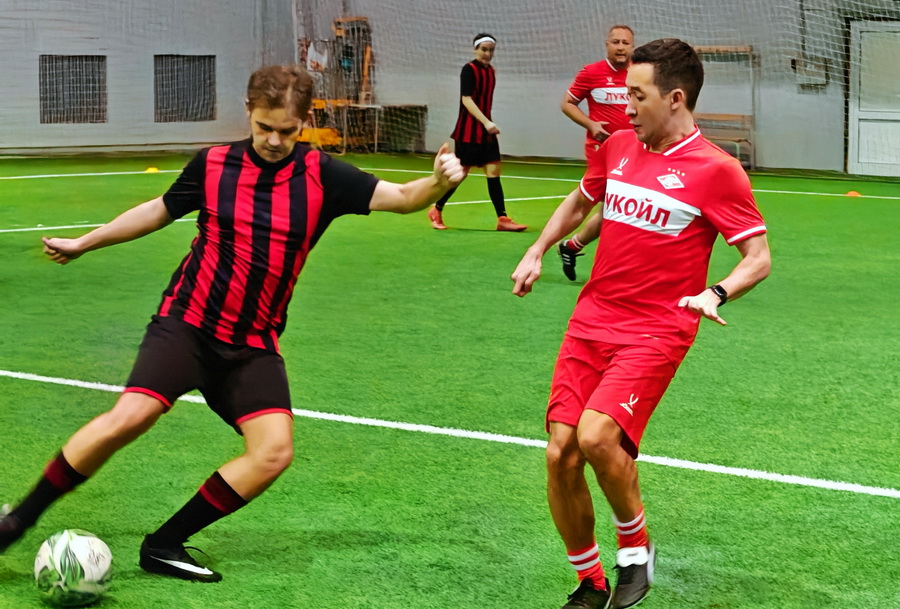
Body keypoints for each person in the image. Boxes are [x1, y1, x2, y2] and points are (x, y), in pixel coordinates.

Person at [0, 64, 464, 583]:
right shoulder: (215, 164)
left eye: (287, 130)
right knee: (130, 416)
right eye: (265, 127)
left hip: (252, 343)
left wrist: (436, 182)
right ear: (248, 111)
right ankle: (15, 523)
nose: (274, 140)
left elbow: (401, 198)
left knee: (273, 453)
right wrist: (85, 243)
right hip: (187, 324)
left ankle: (164, 544)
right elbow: (159, 209)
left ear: (304, 122)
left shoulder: (323, 175)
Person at [511, 39, 770, 609]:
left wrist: (716, 292)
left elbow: (758, 257)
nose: (624, 106)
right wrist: (537, 249)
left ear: (674, 98)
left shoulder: (717, 171)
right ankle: (590, 582)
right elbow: (581, 201)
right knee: (560, 453)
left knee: (596, 436)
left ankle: (635, 550)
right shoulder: (618, 146)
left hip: (657, 329)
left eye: (636, 95)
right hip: (592, 320)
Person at [427, 33, 527, 232]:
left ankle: (502, 219)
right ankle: (436, 209)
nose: (487, 54)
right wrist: (486, 122)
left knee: (494, 171)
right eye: (484, 49)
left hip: (486, 133)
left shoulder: (491, 72)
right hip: (469, 132)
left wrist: (488, 125)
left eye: (491, 50)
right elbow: (466, 99)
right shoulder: (469, 70)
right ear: (475, 50)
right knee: (460, 174)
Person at [557, 25, 634, 281]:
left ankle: (571, 246)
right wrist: (590, 124)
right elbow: (567, 104)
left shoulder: (640, 74)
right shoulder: (591, 73)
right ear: (607, 45)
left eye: (625, 42)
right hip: (603, 152)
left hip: (635, 152)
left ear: (632, 47)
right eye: (616, 42)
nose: (620, 47)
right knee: (612, 208)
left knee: (615, 209)